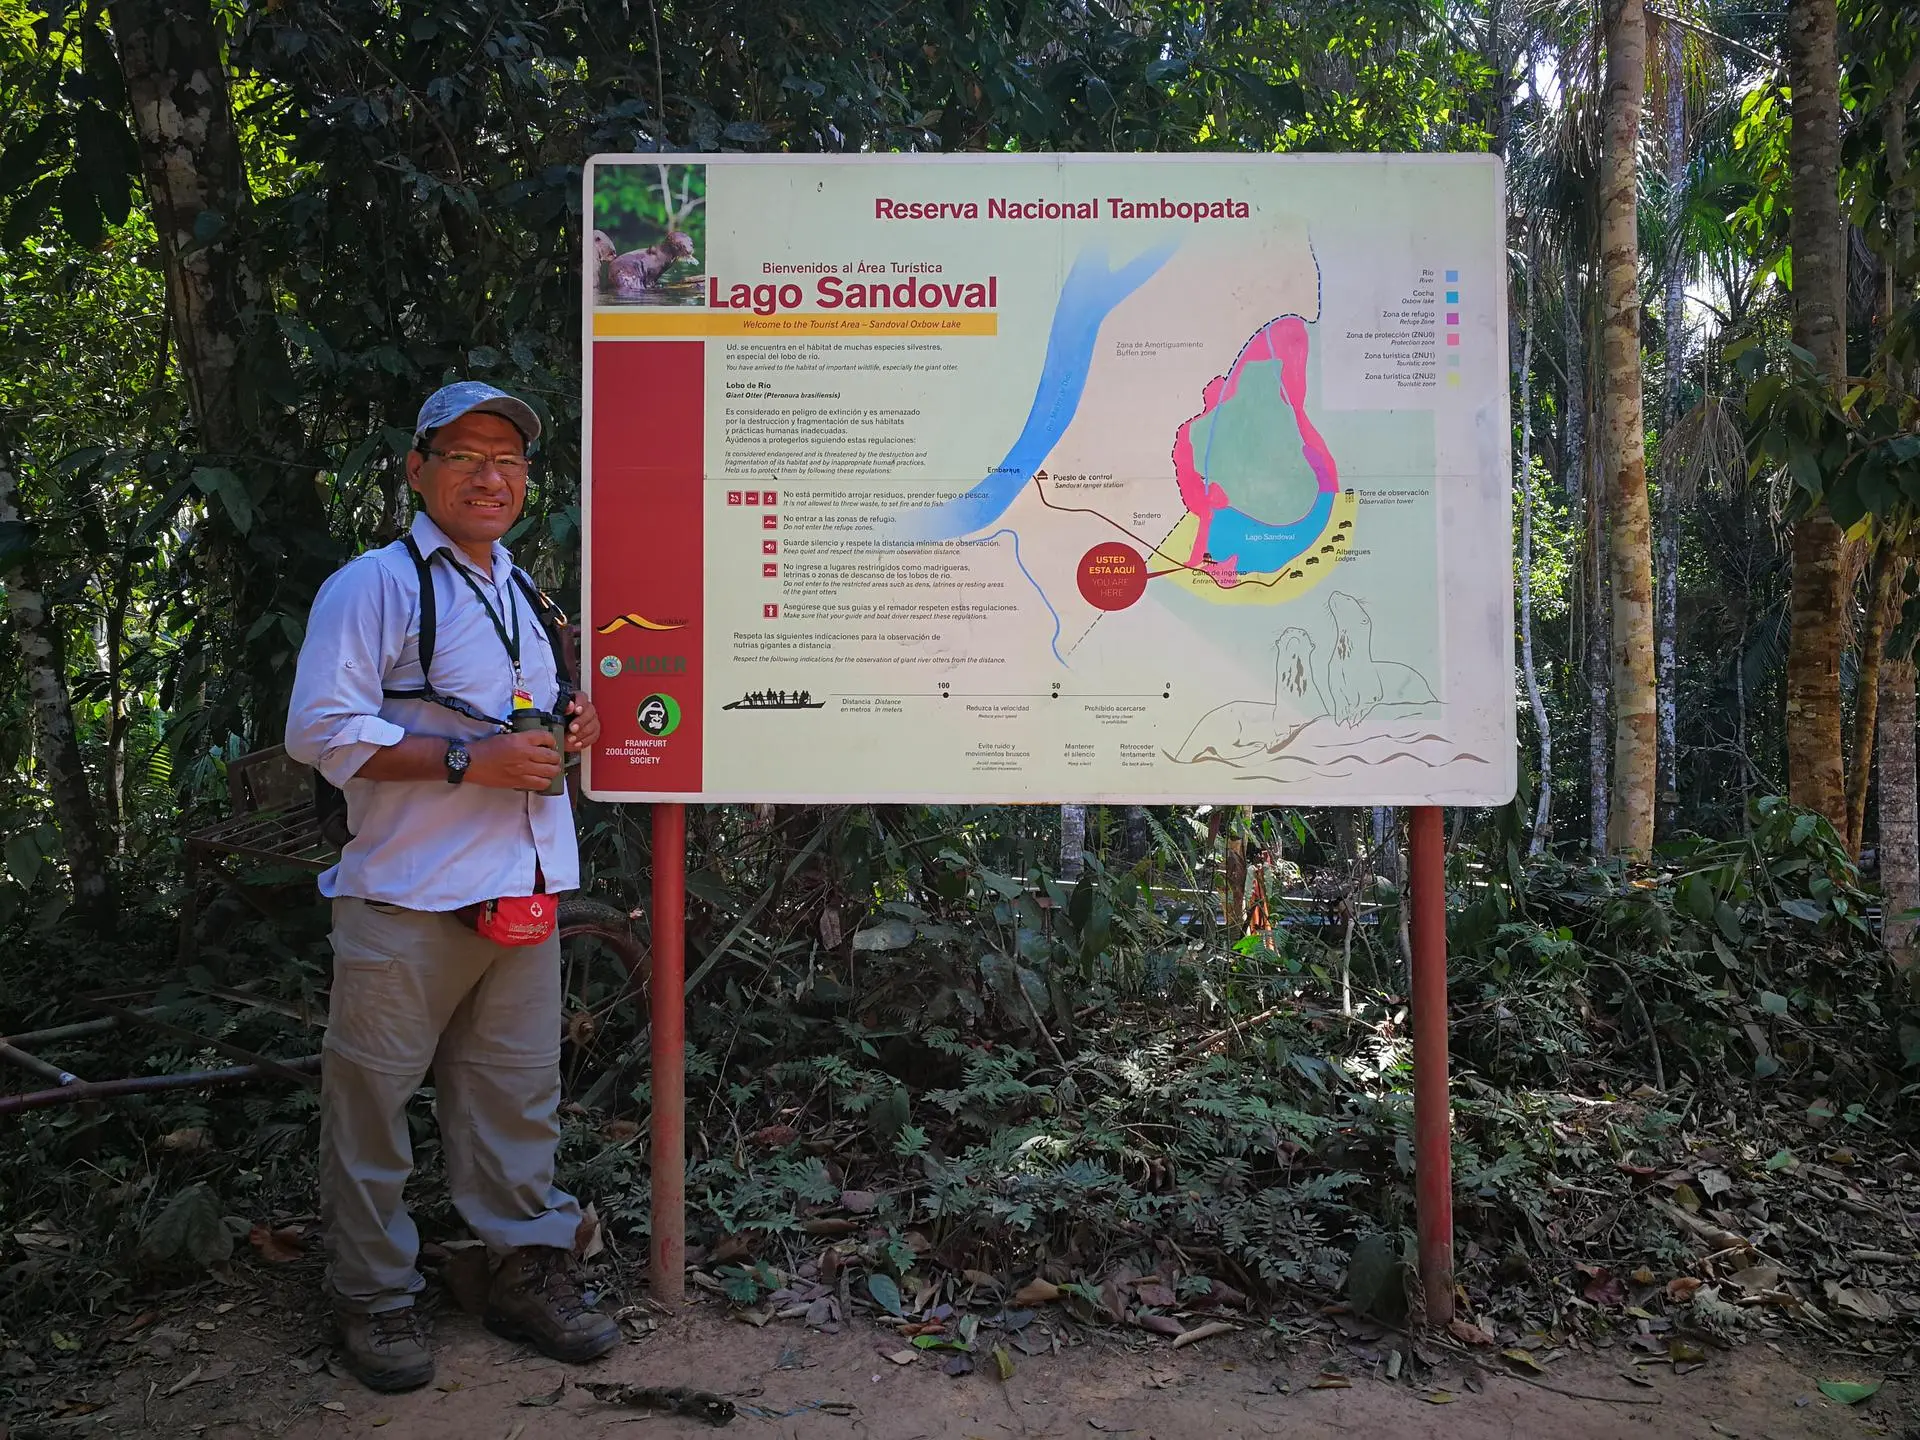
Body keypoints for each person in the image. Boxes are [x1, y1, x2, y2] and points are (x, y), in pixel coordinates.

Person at [286, 382, 618, 1392]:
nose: (491, 475)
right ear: (418, 467)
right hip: (407, 898)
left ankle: (520, 1273)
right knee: (372, 1104)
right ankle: (375, 1298)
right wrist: (472, 762)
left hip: (520, 889)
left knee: (517, 1100)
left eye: (509, 459)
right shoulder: (374, 585)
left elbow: (522, 722)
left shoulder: (527, 592)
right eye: (467, 454)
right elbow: (323, 731)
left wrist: (572, 732)